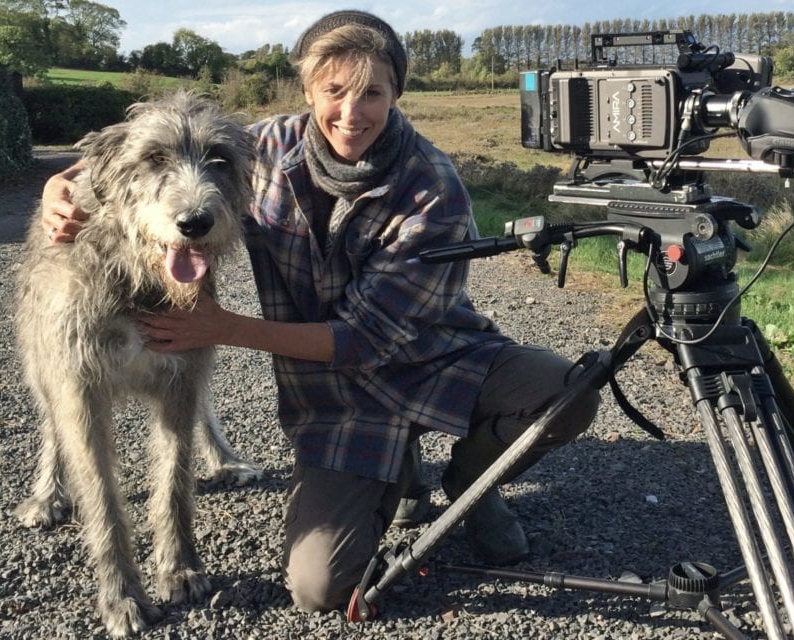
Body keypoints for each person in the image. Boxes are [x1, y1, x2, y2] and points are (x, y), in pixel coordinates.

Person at [41, 10, 601, 614]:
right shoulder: (265, 147)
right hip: (342, 403)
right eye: (334, 91)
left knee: (568, 393)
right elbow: (157, 147)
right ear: (308, 92)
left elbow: (365, 338)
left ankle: (472, 480)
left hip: (431, 361)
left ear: (396, 95)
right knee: (320, 589)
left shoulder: (434, 188)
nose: (351, 113)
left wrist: (224, 328)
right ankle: (397, 470)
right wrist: (61, 184)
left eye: (372, 93)